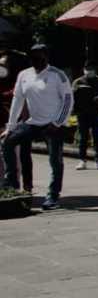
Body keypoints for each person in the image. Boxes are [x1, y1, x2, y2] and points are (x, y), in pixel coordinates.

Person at [2, 44, 73, 210]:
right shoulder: (24, 75)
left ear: (47, 57)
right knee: (8, 142)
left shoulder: (58, 75)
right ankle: (11, 186)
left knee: (55, 160)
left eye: (40, 56)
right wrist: (10, 127)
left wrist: (58, 123)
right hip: (32, 123)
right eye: (33, 56)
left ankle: (53, 196)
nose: (36, 60)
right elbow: (17, 100)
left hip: (53, 124)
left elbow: (68, 100)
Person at [0, 50, 34, 194]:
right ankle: (6, 186)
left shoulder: (20, 80)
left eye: (4, 64)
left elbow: (16, 95)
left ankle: (21, 187)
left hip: (18, 124)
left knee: (20, 156)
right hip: (3, 122)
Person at [72, 63, 98, 170]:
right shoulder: (78, 82)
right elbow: (72, 97)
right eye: (87, 69)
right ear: (84, 69)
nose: (89, 71)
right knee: (83, 138)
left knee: (97, 137)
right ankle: (82, 160)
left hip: (97, 113)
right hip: (82, 114)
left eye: (91, 69)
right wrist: (76, 110)